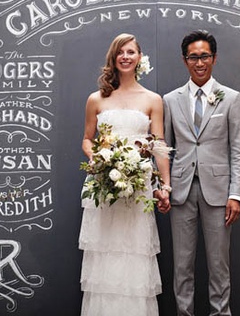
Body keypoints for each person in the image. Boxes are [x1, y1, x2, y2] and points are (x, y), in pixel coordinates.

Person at [78, 33, 171, 316]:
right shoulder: (96, 99)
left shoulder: (153, 99)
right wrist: (98, 159)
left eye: (131, 52)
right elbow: (86, 139)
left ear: (140, 58)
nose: (126, 56)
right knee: (106, 257)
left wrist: (165, 185)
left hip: (139, 186)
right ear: (114, 58)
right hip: (104, 186)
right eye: (121, 52)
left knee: (135, 255)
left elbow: (159, 145)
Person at [163, 30, 240, 316]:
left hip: (220, 194)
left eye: (205, 56)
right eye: (193, 57)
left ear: (214, 58)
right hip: (181, 191)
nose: (199, 63)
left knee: (219, 266)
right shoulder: (170, 100)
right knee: (182, 265)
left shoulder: (231, 98)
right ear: (185, 60)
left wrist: (236, 194)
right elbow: (164, 149)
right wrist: (162, 186)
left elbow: (238, 150)